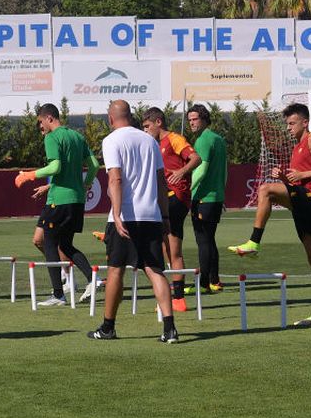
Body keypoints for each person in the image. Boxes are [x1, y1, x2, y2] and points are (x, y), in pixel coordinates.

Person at [228, 103, 311, 327]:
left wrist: (301, 174)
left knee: (265, 190)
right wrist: (285, 178)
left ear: (305, 122)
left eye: (291, 123)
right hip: (303, 200)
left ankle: (254, 242)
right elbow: (298, 181)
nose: (288, 128)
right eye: (286, 124)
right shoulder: (297, 147)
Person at [87, 100, 178, 343]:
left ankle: (108, 327)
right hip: (151, 215)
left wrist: (116, 214)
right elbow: (161, 183)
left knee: (116, 270)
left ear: (110, 118)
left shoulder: (111, 140)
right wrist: (165, 216)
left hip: (126, 216)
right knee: (155, 270)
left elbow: (115, 179)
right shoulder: (150, 140)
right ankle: (169, 328)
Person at [14, 103, 100, 306]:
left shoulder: (52, 138)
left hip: (59, 201)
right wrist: (86, 184)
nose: (40, 128)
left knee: (50, 243)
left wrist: (29, 175)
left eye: (40, 122)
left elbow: (56, 166)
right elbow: (95, 165)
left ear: (49, 118)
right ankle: (92, 279)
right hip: (77, 201)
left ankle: (58, 294)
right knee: (66, 245)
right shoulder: (77, 137)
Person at [142, 107, 200, 311]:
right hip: (167, 198)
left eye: (147, 126)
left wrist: (181, 171)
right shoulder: (154, 144)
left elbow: (196, 158)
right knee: (171, 247)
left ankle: (174, 296)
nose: (146, 131)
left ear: (159, 122)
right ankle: (177, 298)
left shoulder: (174, 139)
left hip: (176, 197)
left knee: (159, 241)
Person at [186, 104, 227, 294]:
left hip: (203, 198)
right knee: (209, 240)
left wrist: (187, 191)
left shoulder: (203, 140)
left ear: (204, 119)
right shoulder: (218, 139)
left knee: (203, 241)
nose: (191, 123)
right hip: (215, 197)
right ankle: (214, 280)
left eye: (195, 119)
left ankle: (202, 284)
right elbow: (224, 172)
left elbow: (201, 170)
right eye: (189, 119)